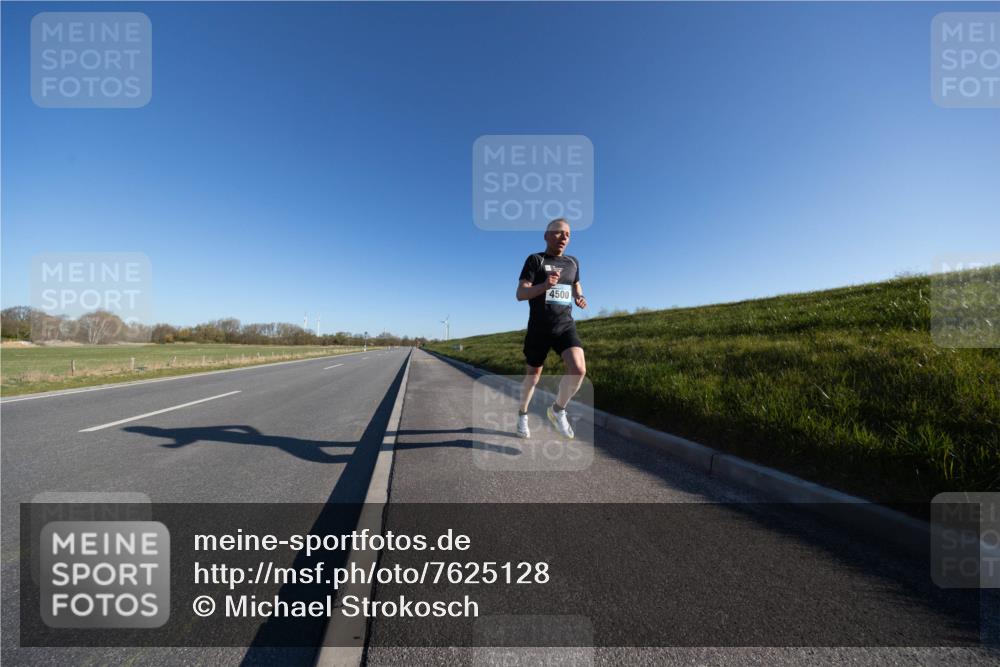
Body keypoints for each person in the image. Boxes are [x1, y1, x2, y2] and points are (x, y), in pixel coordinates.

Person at [515, 218, 587, 439]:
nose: (564, 236)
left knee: (578, 369)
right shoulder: (535, 260)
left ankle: (557, 410)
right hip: (539, 328)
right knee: (533, 377)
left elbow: (575, 283)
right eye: (558, 232)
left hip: (564, 325)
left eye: (567, 234)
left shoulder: (573, 262)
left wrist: (579, 296)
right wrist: (545, 286)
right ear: (546, 236)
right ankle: (522, 415)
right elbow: (521, 294)